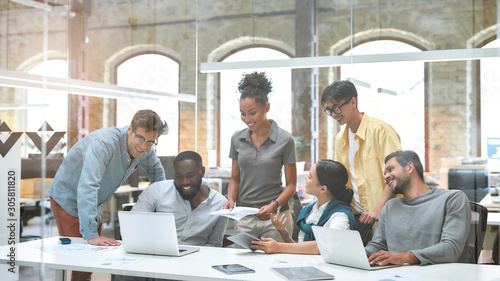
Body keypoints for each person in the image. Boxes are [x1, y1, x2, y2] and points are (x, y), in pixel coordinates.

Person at [47, 109, 168, 281]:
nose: (143, 147)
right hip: (69, 199)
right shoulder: (103, 144)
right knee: (83, 259)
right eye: (140, 138)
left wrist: (161, 207)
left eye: (150, 142)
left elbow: (156, 171)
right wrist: (90, 234)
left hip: (94, 201)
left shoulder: (146, 149)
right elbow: (88, 185)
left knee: (91, 259)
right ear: (130, 129)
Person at [112, 151, 228, 281]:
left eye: (191, 175)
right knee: (124, 274)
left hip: (193, 263)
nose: (185, 182)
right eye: (179, 176)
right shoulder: (157, 191)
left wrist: (195, 263)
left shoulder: (220, 204)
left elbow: (214, 245)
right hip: (154, 256)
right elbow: (132, 229)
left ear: (202, 171)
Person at [321, 80, 402, 238]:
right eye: (329, 110)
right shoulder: (340, 139)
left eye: (337, 108)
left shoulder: (382, 132)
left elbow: (396, 176)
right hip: (357, 220)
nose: (333, 114)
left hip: (385, 217)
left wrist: (378, 210)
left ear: (353, 102)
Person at [223, 71, 297, 242]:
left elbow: (291, 185)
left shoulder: (285, 139)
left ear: (267, 107)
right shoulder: (237, 138)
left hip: (275, 218)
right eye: (242, 113)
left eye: (252, 112)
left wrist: (274, 205)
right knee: (242, 266)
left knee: (277, 265)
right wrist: (231, 199)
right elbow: (235, 178)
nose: (247, 119)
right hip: (245, 218)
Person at [365, 150, 471, 265]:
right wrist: (355, 254)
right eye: (384, 173)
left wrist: (405, 257)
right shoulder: (390, 206)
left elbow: (451, 249)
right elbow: (377, 245)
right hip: (394, 275)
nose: (386, 176)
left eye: (390, 169)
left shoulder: (452, 199)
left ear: (410, 167)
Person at [251, 159, 356, 254]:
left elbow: (324, 246)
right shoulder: (309, 211)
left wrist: (278, 247)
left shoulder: (340, 217)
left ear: (323, 189)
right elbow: (301, 250)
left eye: (310, 177)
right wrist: (284, 234)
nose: (306, 178)